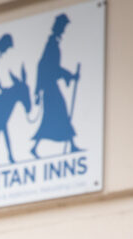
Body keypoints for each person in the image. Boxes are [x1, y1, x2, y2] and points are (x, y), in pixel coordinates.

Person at [31, 13, 81, 157]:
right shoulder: (52, 44)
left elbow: (51, 67)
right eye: (63, 26)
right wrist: (70, 75)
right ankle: (70, 144)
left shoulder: (53, 43)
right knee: (58, 114)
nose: (64, 29)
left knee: (56, 116)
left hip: (50, 87)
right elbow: (48, 67)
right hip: (49, 87)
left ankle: (70, 145)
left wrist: (69, 76)